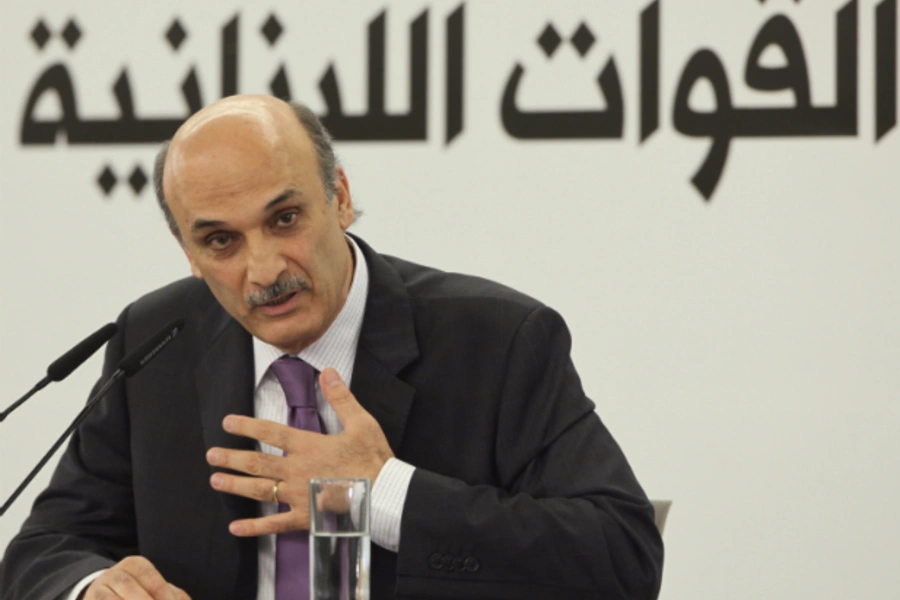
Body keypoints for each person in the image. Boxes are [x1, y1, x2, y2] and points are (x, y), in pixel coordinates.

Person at [0, 95, 663, 600]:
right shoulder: (155, 343)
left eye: (284, 219)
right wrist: (94, 588)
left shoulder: (497, 341)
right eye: (221, 242)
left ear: (340, 198)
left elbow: (622, 555)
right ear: (189, 254)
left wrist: (382, 491)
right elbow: (46, 547)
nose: (262, 270)